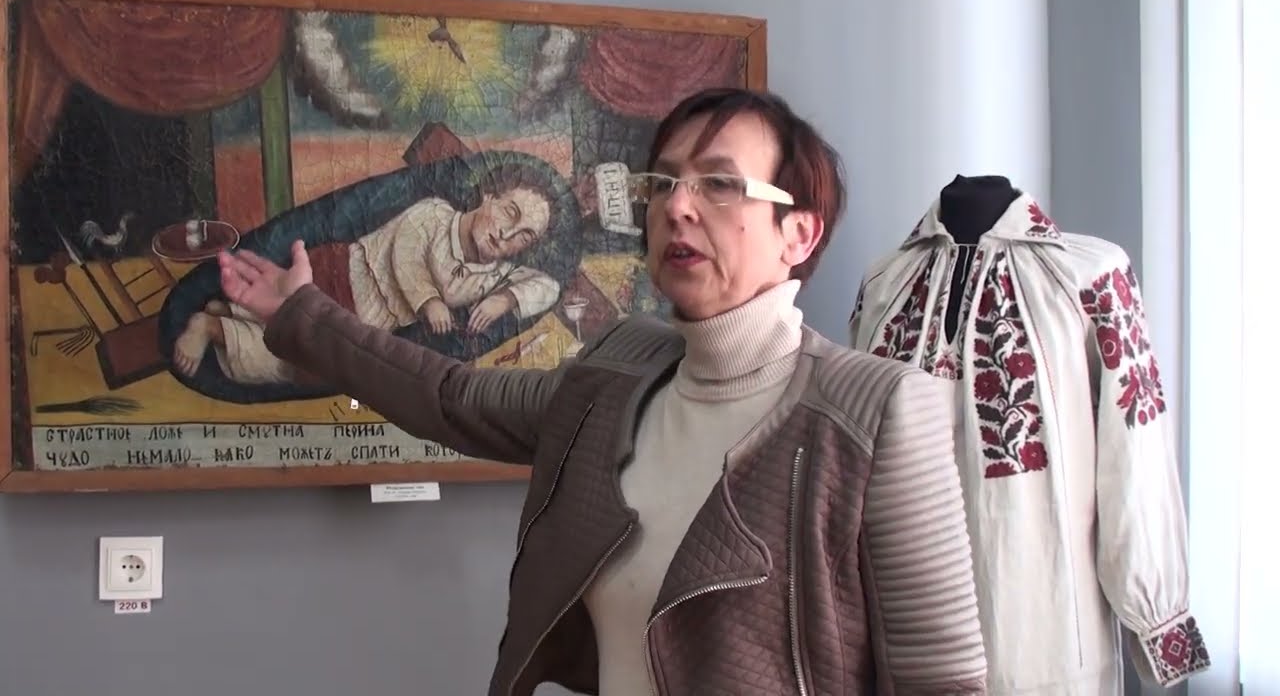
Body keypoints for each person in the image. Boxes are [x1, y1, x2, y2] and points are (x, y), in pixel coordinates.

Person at [217, 87, 989, 695]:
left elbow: (943, 683)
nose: (677, 205)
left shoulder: (878, 410)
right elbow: (451, 397)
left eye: (721, 183)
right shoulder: (619, 370)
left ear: (800, 235)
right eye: (665, 182)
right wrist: (299, 315)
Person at [174, 178, 560, 384]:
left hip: (362, 323)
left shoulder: (493, 276)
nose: (508, 234)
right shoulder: (435, 214)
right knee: (283, 319)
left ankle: (219, 323)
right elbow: (406, 253)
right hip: (342, 275)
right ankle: (217, 321)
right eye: (510, 213)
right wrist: (428, 300)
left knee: (293, 361)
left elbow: (549, 286)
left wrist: (503, 299)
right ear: (489, 196)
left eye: (524, 236)